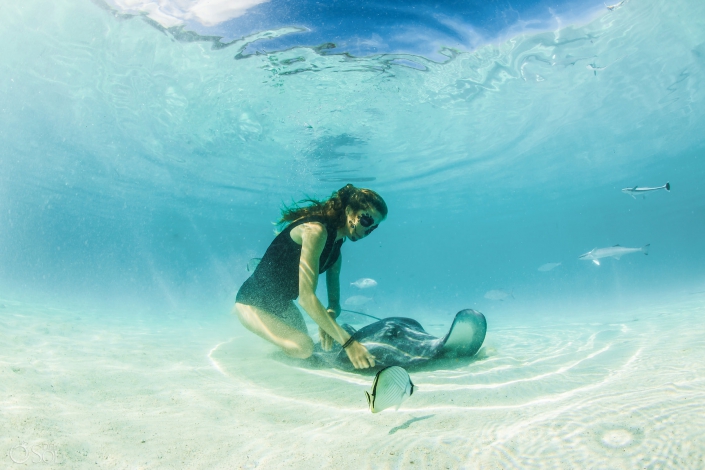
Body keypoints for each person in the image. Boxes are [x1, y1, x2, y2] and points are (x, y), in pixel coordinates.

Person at [234, 184, 387, 369]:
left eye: (374, 228)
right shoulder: (316, 231)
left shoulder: (336, 252)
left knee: (305, 351)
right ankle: (267, 363)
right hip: (251, 302)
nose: (367, 231)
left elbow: (334, 304)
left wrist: (329, 318)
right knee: (304, 347)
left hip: (282, 305)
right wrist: (349, 343)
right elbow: (306, 298)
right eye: (366, 221)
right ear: (348, 210)